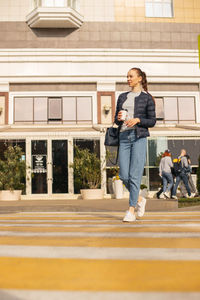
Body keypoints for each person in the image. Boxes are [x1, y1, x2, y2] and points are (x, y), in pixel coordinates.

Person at [114, 67, 156, 222]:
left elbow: (152, 121)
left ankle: (131, 210)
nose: (128, 79)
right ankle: (140, 200)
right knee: (124, 175)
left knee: (135, 175)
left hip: (139, 137)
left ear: (139, 78)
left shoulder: (147, 98)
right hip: (124, 137)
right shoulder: (122, 96)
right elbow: (116, 119)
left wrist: (138, 120)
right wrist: (118, 117)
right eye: (127, 77)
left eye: (131, 76)